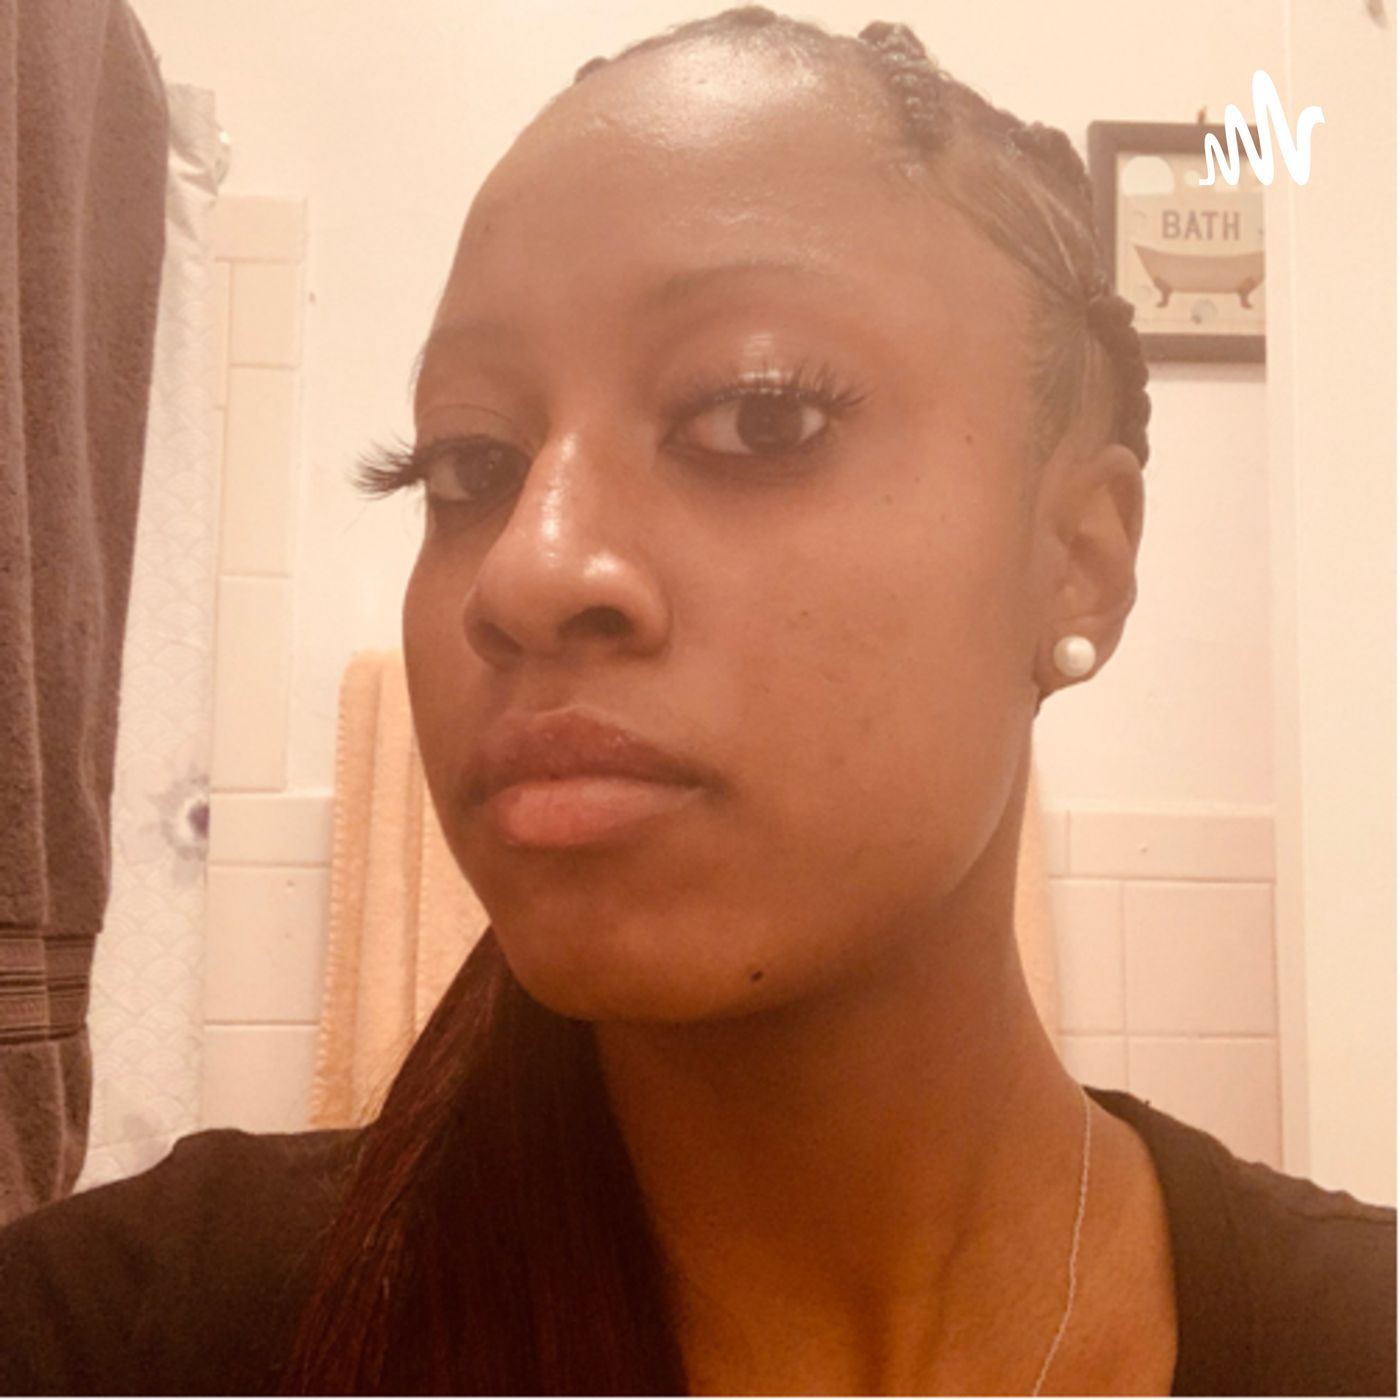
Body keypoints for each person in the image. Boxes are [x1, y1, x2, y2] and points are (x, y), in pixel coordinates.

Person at [0, 7, 1394, 1396]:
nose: (527, 571)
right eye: (469, 465)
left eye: (758, 416)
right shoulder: (125, 1334)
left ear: (1079, 560)